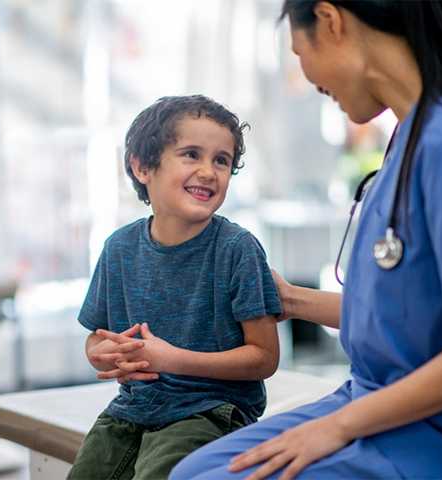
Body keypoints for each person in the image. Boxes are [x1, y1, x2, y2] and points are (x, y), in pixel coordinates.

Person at [170, 1, 442, 479]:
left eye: (299, 52)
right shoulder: (406, 141)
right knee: (191, 472)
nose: (307, 77)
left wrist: (338, 427)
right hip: (374, 398)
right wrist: (286, 298)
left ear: (330, 22)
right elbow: (407, 316)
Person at [67, 95, 282, 480]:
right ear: (143, 166)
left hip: (211, 411)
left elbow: (264, 358)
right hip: (133, 408)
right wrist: (107, 355)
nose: (208, 171)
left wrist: (171, 359)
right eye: (191, 154)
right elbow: (95, 339)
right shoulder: (118, 248)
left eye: (222, 160)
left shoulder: (237, 249)